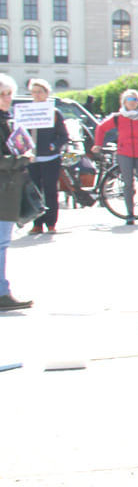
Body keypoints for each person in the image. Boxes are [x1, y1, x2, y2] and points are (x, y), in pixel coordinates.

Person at [93, 89, 138, 226]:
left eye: (134, 100)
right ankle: (130, 214)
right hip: (125, 152)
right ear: (124, 102)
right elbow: (101, 128)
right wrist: (98, 144)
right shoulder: (118, 117)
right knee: (128, 183)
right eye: (129, 100)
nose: (132, 102)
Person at [0, 74, 34, 310]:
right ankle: (2, 293)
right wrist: (22, 159)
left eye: (9, 93)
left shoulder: (7, 120)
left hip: (8, 190)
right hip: (3, 191)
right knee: (1, 243)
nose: (6, 98)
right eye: (2, 94)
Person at [26, 79, 68, 235]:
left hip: (50, 159)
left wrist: (53, 145)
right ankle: (37, 224)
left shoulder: (54, 113)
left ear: (46, 93)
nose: (36, 95)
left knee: (50, 191)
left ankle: (51, 223)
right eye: (34, 92)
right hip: (32, 158)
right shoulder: (26, 112)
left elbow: (63, 136)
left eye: (40, 92)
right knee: (34, 192)